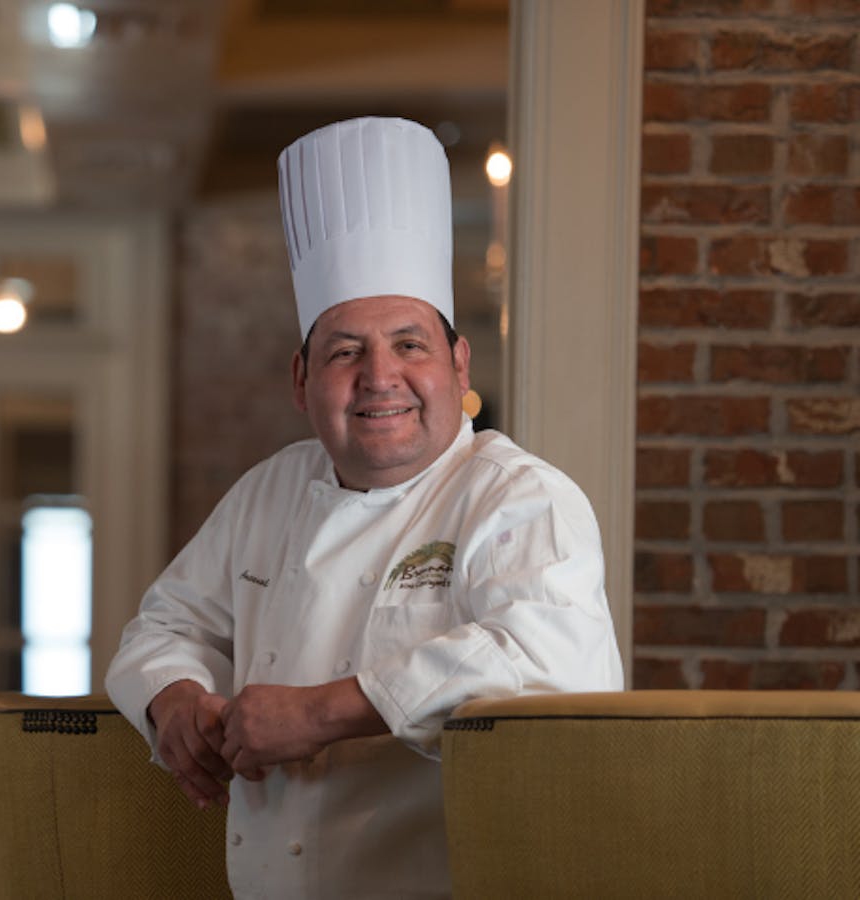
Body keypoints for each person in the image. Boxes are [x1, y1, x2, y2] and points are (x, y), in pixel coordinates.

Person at [105, 116, 623, 899]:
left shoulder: (517, 496)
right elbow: (165, 625)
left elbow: (547, 663)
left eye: (409, 344)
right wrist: (172, 699)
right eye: (346, 350)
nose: (381, 377)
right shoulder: (270, 492)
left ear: (457, 363)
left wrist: (322, 713)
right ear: (300, 379)